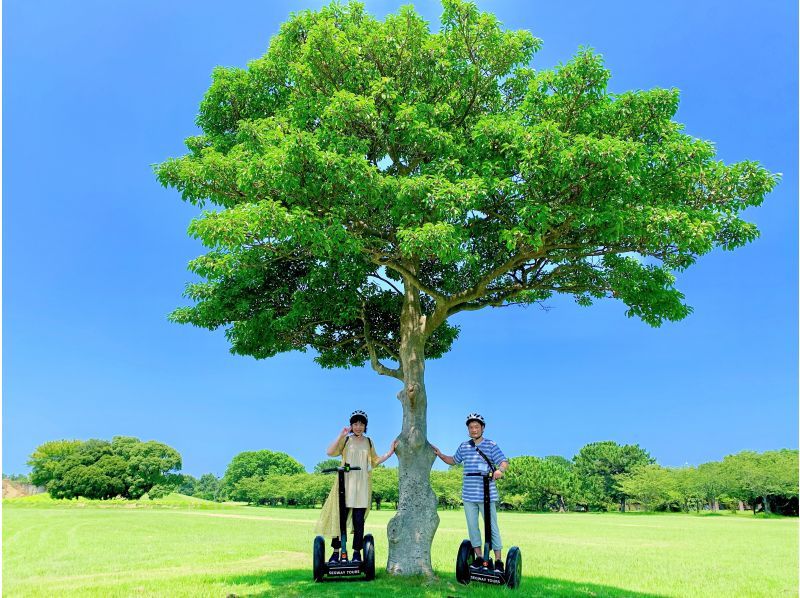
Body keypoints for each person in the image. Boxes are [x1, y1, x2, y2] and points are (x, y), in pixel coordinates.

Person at [314, 410, 397, 563]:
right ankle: (336, 552)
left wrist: (390, 452)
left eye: (361, 424)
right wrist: (341, 435)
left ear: (365, 426)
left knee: (359, 521)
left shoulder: (368, 442)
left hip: (361, 487)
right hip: (344, 485)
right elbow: (329, 452)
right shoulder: (346, 440)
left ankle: (357, 553)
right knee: (340, 519)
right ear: (351, 425)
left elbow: (375, 461)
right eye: (355, 424)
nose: (358, 427)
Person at [431, 412, 509, 572]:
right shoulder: (464, 446)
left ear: (482, 428)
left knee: (492, 527)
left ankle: (499, 561)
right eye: (471, 427)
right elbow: (453, 460)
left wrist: (500, 470)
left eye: (476, 427)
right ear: (468, 430)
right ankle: (479, 558)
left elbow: (503, 461)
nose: (474, 430)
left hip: (487, 495)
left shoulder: (491, 445)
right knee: (473, 527)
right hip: (468, 495)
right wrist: (440, 455)